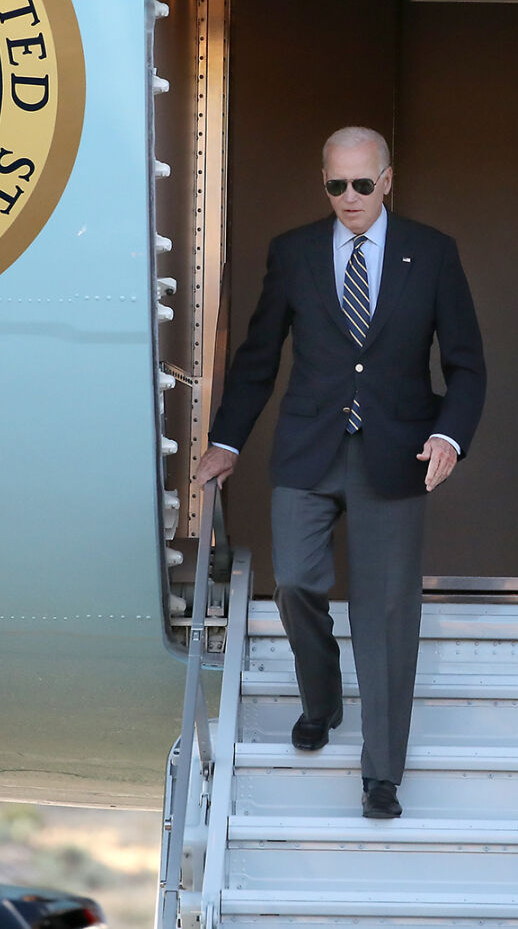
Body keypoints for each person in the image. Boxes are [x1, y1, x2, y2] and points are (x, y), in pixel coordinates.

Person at [193, 126, 486, 820]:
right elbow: (260, 354)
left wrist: (448, 435)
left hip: (397, 453)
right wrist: (227, 441)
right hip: (308, 446)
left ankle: (381, 775)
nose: (348, 198)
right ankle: (320, 698)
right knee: (293, 581)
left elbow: (467, 363)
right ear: (322, 181)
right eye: (335, 185)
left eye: (361, 184)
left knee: (386, 614)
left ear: (387, 179)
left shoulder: (432, 252)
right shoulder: (293, 252)